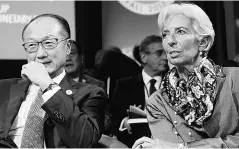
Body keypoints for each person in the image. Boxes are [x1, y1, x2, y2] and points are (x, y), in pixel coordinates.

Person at [133, 2, 239, 148]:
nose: (170, 41)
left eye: (180, 32)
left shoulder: (234, 79)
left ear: (204, 42)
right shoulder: (157, 102)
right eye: (165, 34)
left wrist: (182, 147)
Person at [0, 14, 107, 148]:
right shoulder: (3, 88)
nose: (40, 54)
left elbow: (84, 140)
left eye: (49, 43)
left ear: (67, 47)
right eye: (31, 45)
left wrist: (47, 85)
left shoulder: (90, 93)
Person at [111, 35, 168, 147]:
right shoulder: (124, 85)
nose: (165, 57)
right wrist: (124, 122)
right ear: (143, 57)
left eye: (166, 53)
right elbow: (113, 118)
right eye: (159, 53)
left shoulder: (173, 83)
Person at [65, 40, 111, 135]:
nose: (68, 58)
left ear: (81, 58)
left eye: (71, 53)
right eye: (64, 54)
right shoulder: (52, 86)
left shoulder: (96, 86)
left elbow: (106, 119)